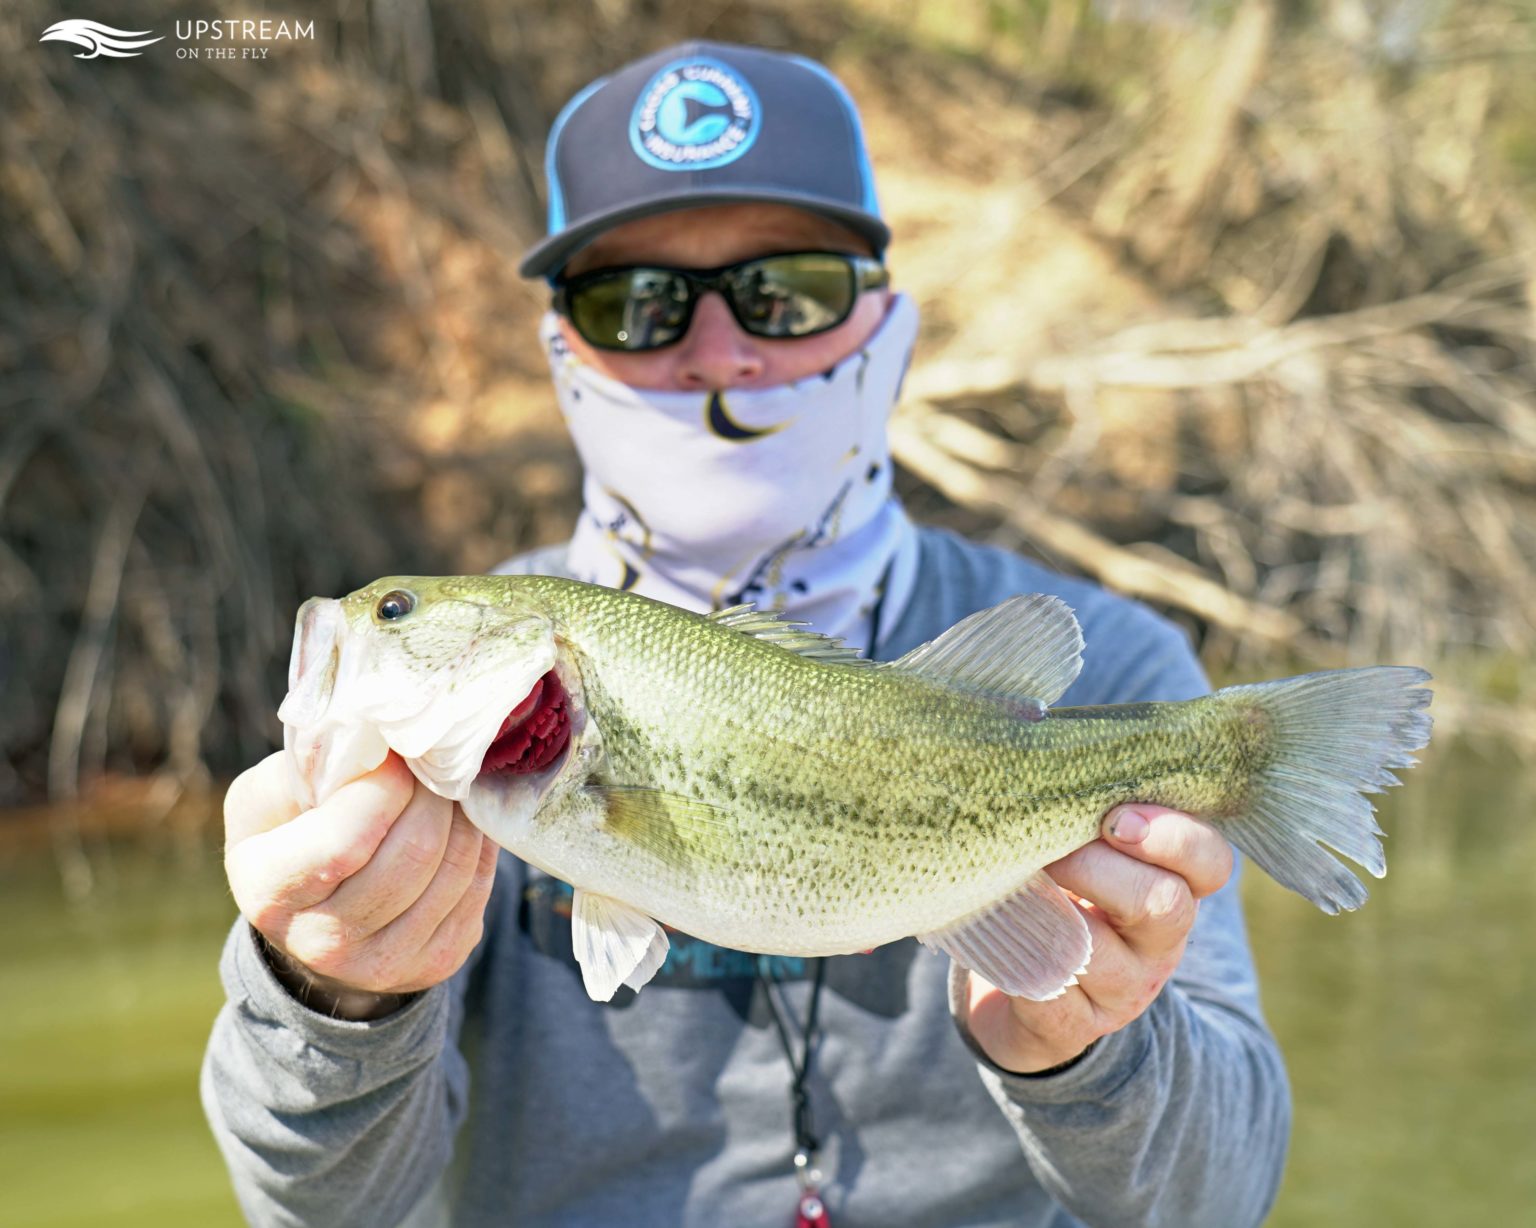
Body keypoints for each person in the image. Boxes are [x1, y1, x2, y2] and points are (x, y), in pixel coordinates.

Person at [203, 42, 1290, 1227]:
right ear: (563, 352)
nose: (720, 352)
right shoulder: (426, 766)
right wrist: (326, 996)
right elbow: (320, 1210)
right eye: (636, 304)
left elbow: (1221, 1197)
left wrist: (1090, 1056)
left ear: (885, 322)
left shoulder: (1118, 673)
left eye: (790, 292)